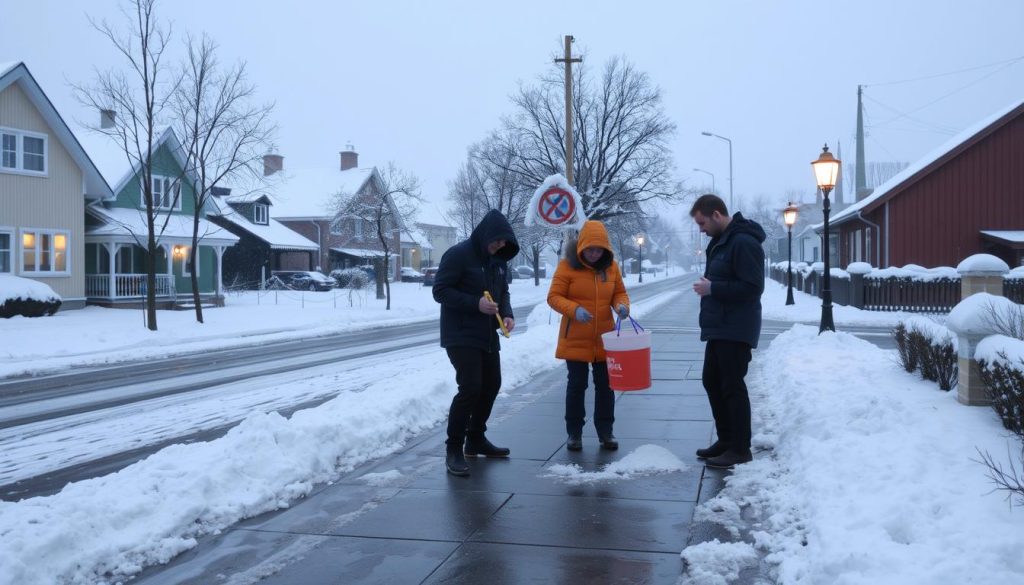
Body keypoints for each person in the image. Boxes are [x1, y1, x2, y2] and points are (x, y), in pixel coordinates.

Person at [433, 209, 520, 476]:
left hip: (487, 333)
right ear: (485, 235)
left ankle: (475, 438)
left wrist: (506, 313)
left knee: (492, 384)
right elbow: (441, 290)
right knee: (470, 386)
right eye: (496, 242)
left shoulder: (498, 261)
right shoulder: (459, 255)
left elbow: (502, 291)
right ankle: (453, 449)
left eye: (503, 244)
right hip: (460, 333)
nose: (499, 247)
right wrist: (475, 303)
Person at [690, 194, 766, 469]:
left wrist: (713, 289)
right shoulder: (722, 242)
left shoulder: (743, 242)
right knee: (712, 380)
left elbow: (752, 287)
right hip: (721, 326)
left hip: (736, 327)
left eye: (702, 223)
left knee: (732, 386)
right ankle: (726, 440)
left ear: (717, 215)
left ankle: (739, 448)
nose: (701, 229)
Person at [547, 220, 630, 451]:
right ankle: (574, 433)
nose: (594, 254)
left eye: (599, 249)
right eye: (590, 249)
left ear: (605, 249)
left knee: (606, 386)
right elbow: (553, 296)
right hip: (575, 337)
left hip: (605, 338)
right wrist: (574, 310)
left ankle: (606, 431)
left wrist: (621, 306)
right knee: (577, 385)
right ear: (581, 246)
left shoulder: (611, 267)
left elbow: (619, 292)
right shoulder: (567, 266)